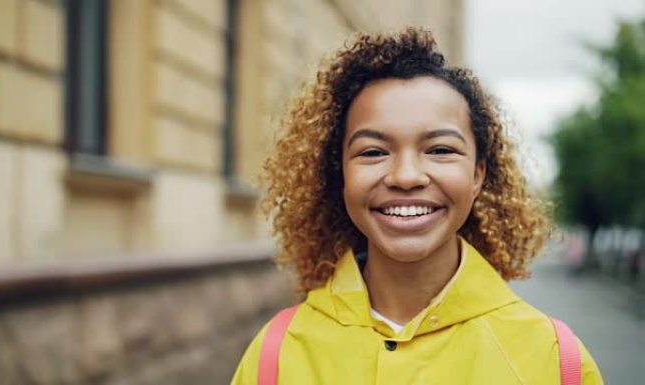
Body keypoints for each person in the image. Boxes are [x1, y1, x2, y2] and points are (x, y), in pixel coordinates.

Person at [231, 27, 603, 385]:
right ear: (340, 174)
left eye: (440, 150)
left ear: (477, 174)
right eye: (373, 151)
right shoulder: (276, 355)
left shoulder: (556, 360)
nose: (406, 176)